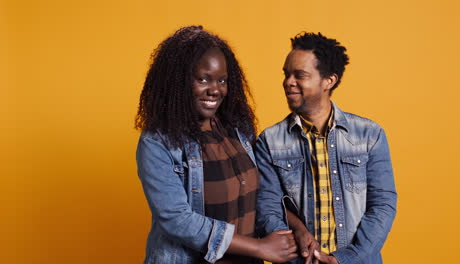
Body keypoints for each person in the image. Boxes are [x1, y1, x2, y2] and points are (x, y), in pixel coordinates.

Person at [135, 25, 297, 264]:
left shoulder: (238, 130)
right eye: (203, 79)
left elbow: (259, 197)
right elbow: (177, 219)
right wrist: (261, 248)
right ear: (178, 82)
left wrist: (291, 233)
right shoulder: (157, 142)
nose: (215, 90)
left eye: (222, 80)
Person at [254, 32, 397, 264]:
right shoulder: (269, 141)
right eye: (286, 74)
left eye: (299, 75)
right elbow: (267, 207)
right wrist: (299, 247)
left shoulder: (370, 134)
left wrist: (345, 259)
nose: (288, 82)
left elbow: (382, 205)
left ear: (328, 81)